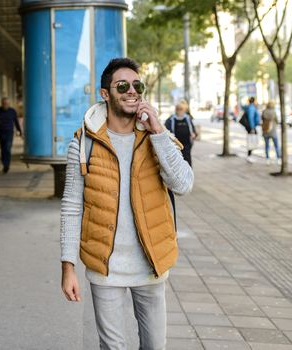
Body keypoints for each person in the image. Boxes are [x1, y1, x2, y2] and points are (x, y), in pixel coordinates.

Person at [60, 58, 194, 350]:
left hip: (150, 265)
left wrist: (158, 130)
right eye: (123, 85)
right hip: (105, 268)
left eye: (137, 85)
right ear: (106, 94)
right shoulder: (83, 144)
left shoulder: (157, 137)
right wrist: (68, 267)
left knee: (155, 346)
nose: (132, 91)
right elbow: (72, 206)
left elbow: (183, 185)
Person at [0, 97, 22, 173]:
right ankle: (4, 162)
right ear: (1, 104)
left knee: (7, 148)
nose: (5, 105)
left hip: (9, 132)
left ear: (9, 104)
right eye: (4, 104)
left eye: (7, 104)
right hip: (0, 132)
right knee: (3, 149)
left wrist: (19, 131)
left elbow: (16, 121)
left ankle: (6, 165)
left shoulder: (12, 111)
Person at [164, 101, 196, 167]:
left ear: (184, 110)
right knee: (177, 162)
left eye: (181, 109)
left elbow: (193, 129)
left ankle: (188, 175)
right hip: (176, 144)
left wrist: (194, 134)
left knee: (187, 160)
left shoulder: (188, 118)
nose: (179, 110)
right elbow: (166, 131)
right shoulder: (171, 119)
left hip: (187, 144)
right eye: (178, 109)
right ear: (176, 109)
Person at [243, 97, 260, 162]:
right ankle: (249, 156)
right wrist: (252, 128)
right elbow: (251, 118)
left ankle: (249, 156)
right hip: (251, 127)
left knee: (251, 140)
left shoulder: (250, 107)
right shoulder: (252, 108)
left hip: (251, 126)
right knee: (251, 140)